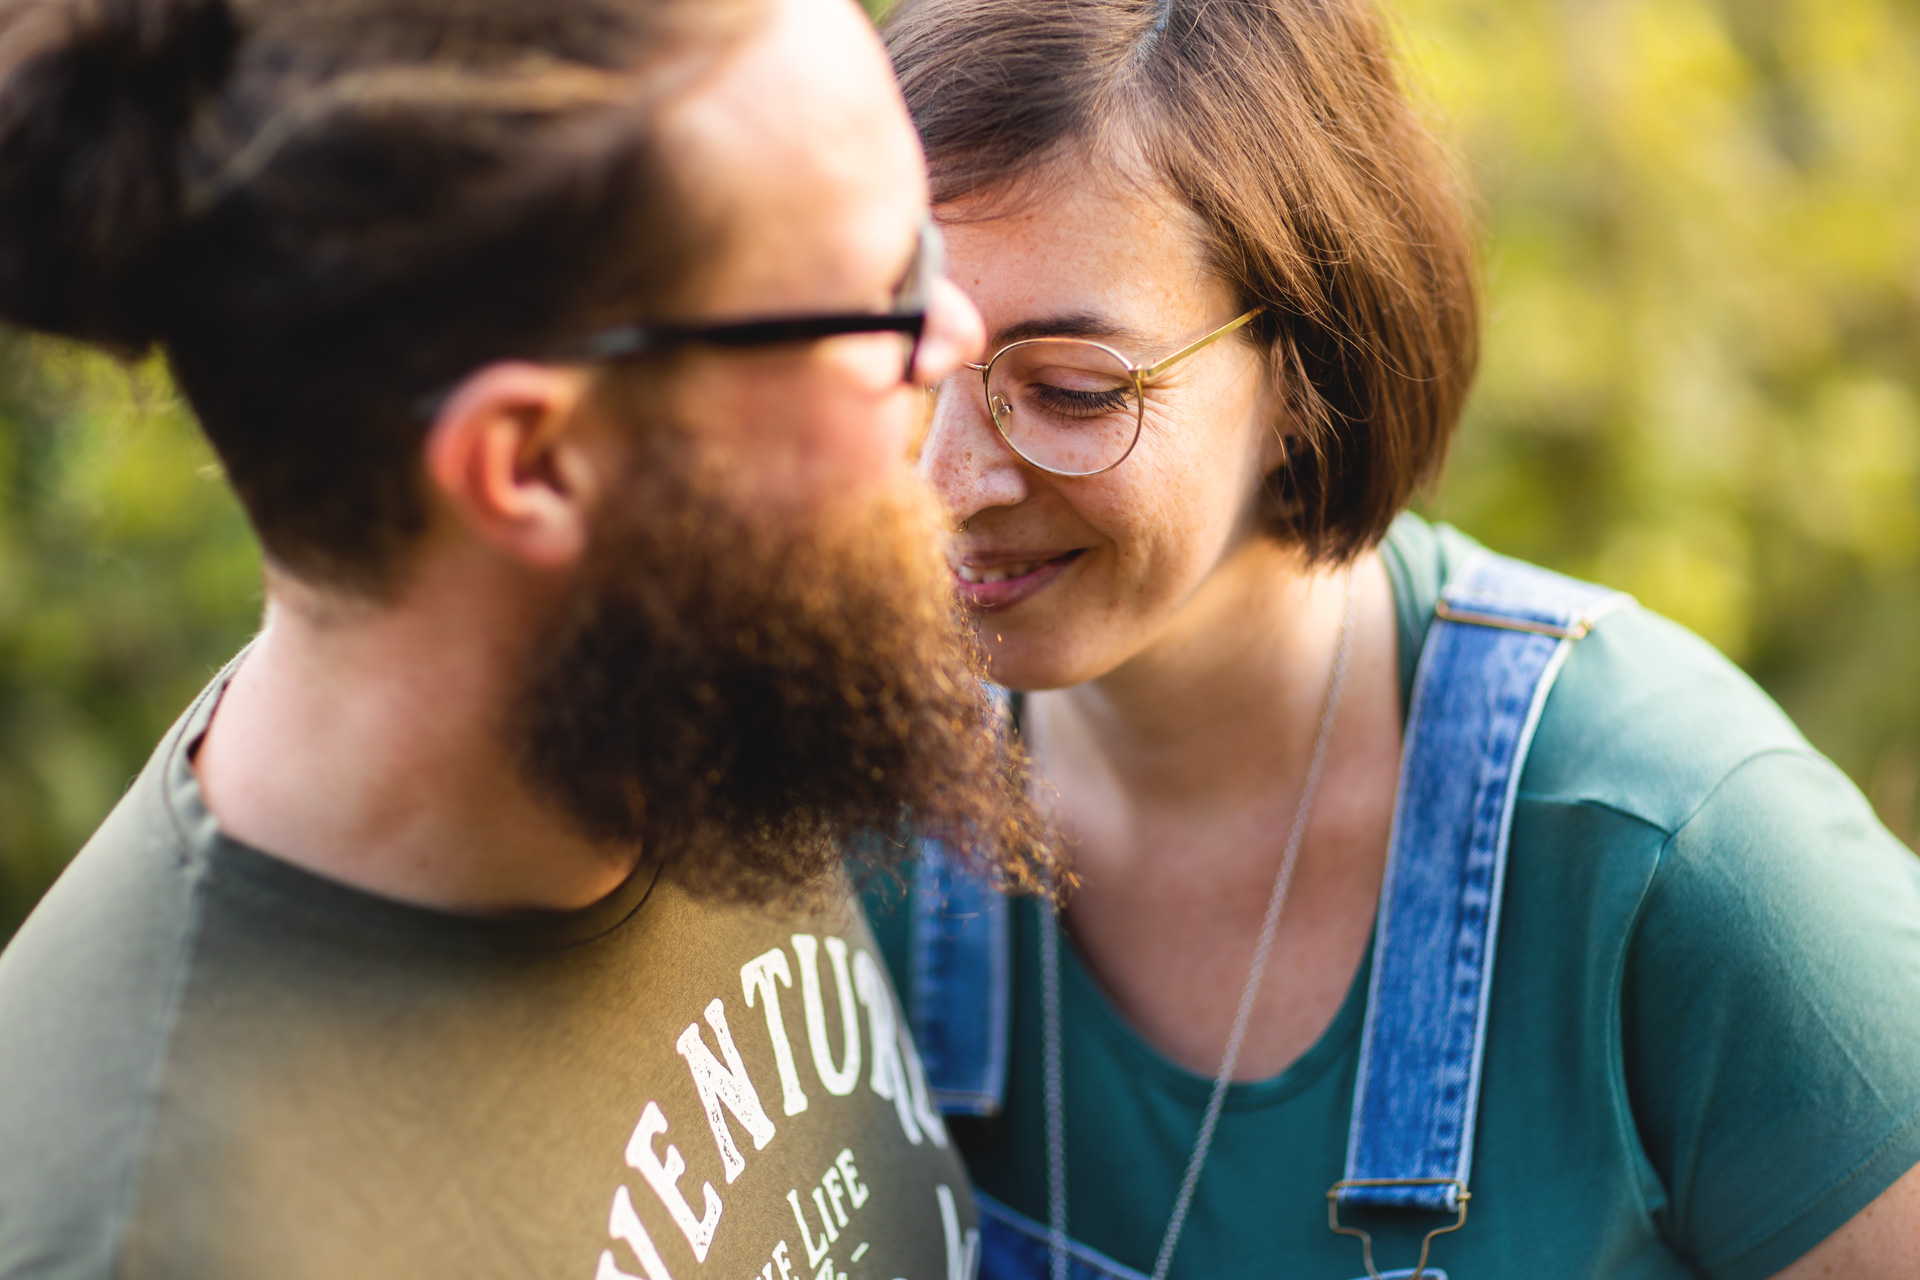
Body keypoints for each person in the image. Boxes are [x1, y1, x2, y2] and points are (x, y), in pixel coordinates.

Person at [862, 1, 1920, 1277]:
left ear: (1303, 373)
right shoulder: (831, 802)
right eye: (903, 358)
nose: (943, 477)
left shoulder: (1680, 861)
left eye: (1073, 390)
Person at [0, 0, 1048, 1275]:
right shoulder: (158, 1228)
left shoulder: (697, 678)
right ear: (536, 463)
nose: (957, 335)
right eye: (881, 298)